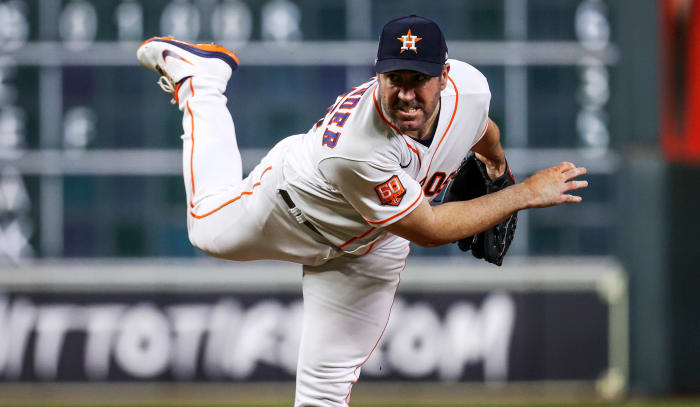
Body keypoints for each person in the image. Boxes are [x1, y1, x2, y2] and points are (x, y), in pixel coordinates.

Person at [137, 15, 588, 407]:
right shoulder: (356, 147)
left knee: (324, 394)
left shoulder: (470, 91)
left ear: (445, 76)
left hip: (373, 245)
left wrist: (497, 164)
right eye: (397, 79)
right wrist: (524, 191)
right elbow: (429, 230)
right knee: (204, 228)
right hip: (290, 208)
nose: (407, 94)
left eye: (419, 79)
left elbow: (482, 128)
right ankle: (203, 83)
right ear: (379, 76)